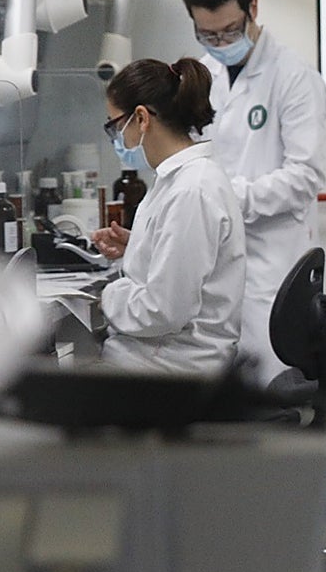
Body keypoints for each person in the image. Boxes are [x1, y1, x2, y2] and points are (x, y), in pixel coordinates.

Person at [180, 0, 326, 388]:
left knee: (272, 391)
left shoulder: (294, 78)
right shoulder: (201, 75)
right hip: (216, 264)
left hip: (272, 269)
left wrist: (229, 199)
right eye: (207, 34)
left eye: (229, 30)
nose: (220, 41)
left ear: (253, 9)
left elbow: (305, 176)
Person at [91, 57, 246, 375]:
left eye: (115, 126)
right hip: (158, 359)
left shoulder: (192, 190)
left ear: (141, 118)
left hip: (169, 370)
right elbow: (184, 262)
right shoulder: (179, 178)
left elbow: (163, 311)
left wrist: (106, 296)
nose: (117, 139)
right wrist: (141, 245)